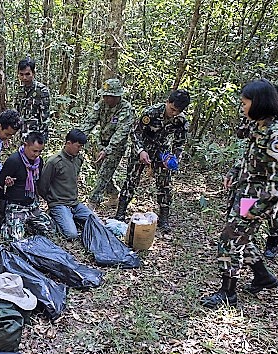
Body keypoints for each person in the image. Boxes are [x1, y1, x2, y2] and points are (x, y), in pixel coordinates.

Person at [200, 79, 278, 309]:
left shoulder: (277, 136)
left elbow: (277, 183)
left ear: (259, 103)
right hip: (245, 192)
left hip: (257, 199)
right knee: (242, 238)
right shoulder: (258, 127)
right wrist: (234, 172)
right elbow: (247, 156)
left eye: (245, 103)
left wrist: (256, 209)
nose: (242, 108)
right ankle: (263, 276)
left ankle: (228, 292)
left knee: (229, 240)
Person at [234, 85, 278, 258]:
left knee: (273, 213)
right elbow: (243, 139)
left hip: (270, 178)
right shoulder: (257, 122)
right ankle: (260, 272)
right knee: (237, 232)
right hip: (250, 183)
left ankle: (272, 241)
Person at [114, 89, 191, 232]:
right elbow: (135, 132)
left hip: (162, 152)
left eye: (177, 111)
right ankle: (121, 212)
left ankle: (164, 218)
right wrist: (141, 151)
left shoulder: (181, 120)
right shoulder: (151, 112)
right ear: (167, 102)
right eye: (172, 109)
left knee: (165, 183)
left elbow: (179, 143)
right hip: (142, 148)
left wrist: (174, 158)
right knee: (132, 180)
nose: (173, 113)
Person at [80, 78, 134, 208]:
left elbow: (121, 133)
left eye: (109, 96)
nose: (106, 99)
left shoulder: (126, 109)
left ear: (117, 96)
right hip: (102, 143)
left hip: (116, 146)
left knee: (104, 174)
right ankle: (114, 193)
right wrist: (78, 138)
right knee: (101, 171)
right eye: (104, 96)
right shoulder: (101, 104)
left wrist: (107, 150)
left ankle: (92, 203)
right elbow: (89, 121)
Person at [0, 132, 55, 241]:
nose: (37, 154)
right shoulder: (14, 160)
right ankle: (6, 223)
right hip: (16, 205)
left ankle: (26, 223)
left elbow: (38, 182)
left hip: (32, 205)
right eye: (34, 151)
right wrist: (3, 200)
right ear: (25, 144)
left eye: (40, 151)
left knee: (50, 228)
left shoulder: (39, 162)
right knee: (16, 239)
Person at [38, 129, 95, 240]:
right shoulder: (54, 162)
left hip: (74, 203)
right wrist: (52, 200)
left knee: (97, 223)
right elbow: (42, 186)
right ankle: (54, 217)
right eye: (78, 146)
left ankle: (72, 218)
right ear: (68, 143)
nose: (80, 149)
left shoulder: (78, 159)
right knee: (71, 234)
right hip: (59, 204)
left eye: (81, 147)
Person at [14, 57, 51, 142]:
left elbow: (45, 117)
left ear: (33, 73)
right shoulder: (20, 91)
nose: (24, 78)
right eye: (21, 74)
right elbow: (17, 113)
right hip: (22, 135)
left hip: (36, 136)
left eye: (27, 74)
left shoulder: (41, 90)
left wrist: (41, 139)